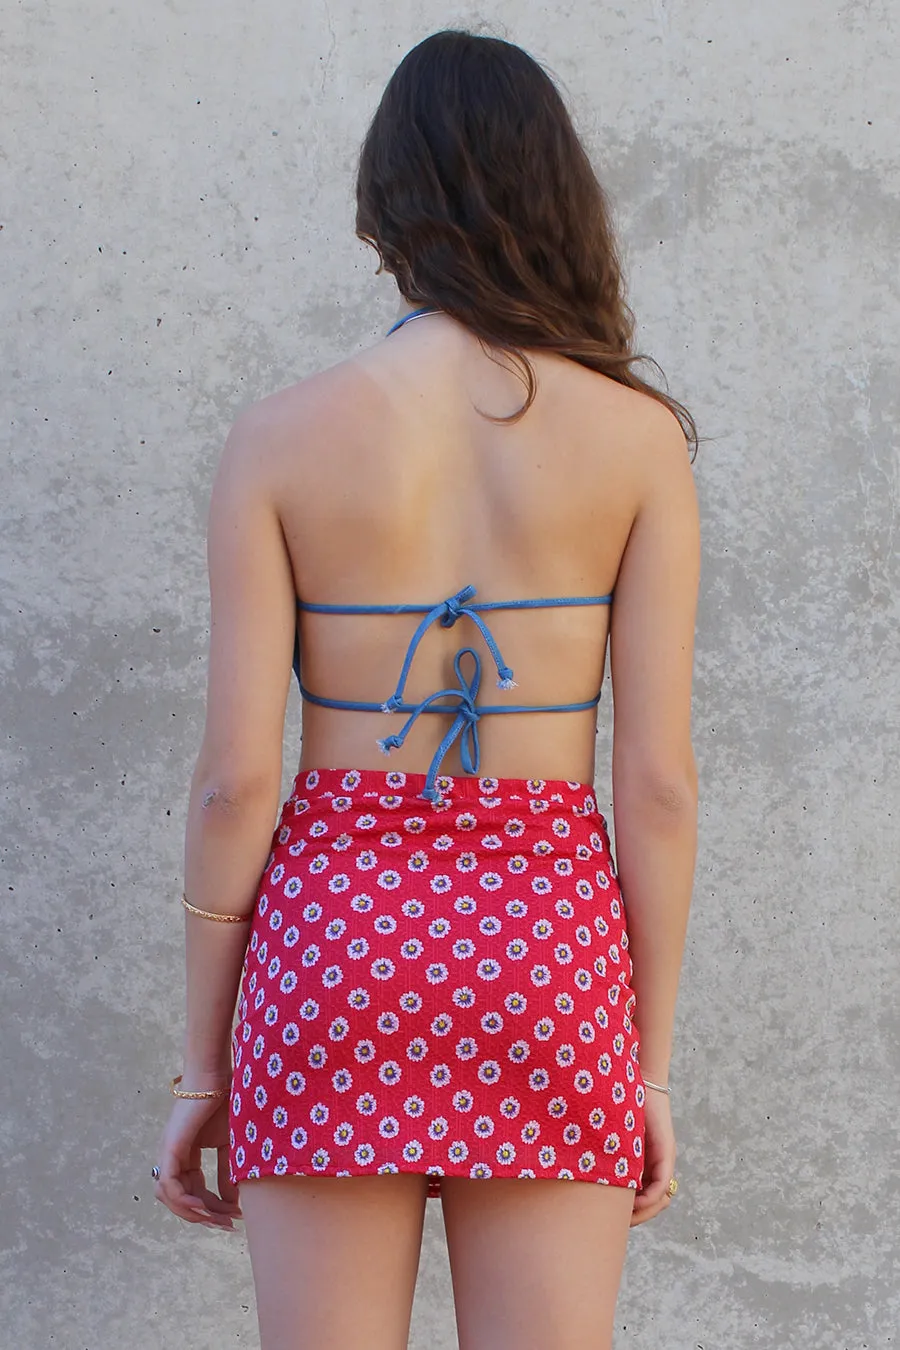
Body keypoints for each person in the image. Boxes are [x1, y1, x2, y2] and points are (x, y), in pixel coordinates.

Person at [152, 28, 700, 1350]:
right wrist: (648, 1064)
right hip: (549, 944)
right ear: (556, 196)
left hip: (334, 944)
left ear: (384, 204)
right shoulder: (637, 443)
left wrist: (204, 1064)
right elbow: (662, 788)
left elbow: (236, 779)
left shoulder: (280, 438)